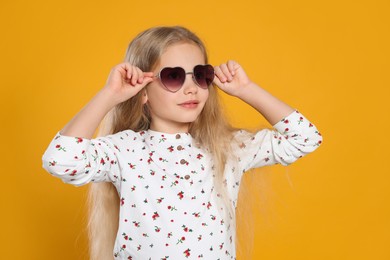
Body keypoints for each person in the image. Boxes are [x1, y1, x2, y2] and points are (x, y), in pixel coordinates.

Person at [42, 26, 322, 259]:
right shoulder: (125, 150)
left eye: (200, 75)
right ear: (143, 92)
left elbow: (306, 138)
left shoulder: (226, 148)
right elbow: (61, 160)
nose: (191, 87)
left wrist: (246, 89)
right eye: (173, 76)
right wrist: (110, 94)